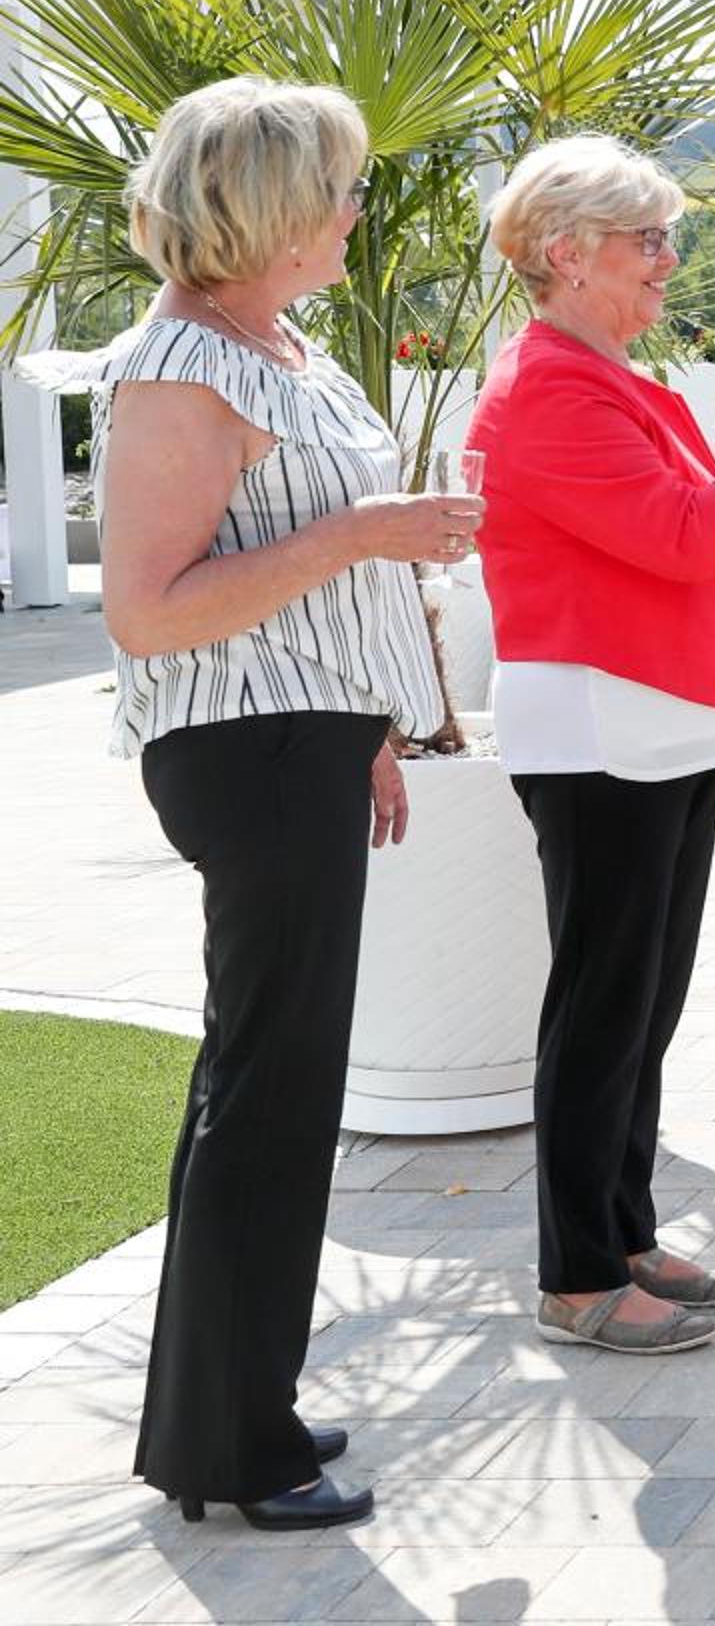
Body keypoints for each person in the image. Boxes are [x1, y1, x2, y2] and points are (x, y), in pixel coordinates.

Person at [62, 79, 465, 1530]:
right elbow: (149, 611)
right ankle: (237, 1444)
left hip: (305, 742)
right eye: (342, 188)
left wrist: (371, 726)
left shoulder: (281, 347)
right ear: (276, 208)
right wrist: (361, 533)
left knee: (275, 1085)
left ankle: (233, 1412)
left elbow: (307, 595)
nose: (359, 211)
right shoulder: (181, 367)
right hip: (248, 755)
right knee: (270, 1092)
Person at [473, 134, 715, 1355]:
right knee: (604, 1005)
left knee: (643, 1002)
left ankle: (625, 1235)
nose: (667, 261)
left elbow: (709, 561)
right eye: (647, 240)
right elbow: (695, 532)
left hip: (662, 723)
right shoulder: (549, 386)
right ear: (565, 253)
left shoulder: (607, 377)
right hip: (601, 729)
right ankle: (579, 1273)